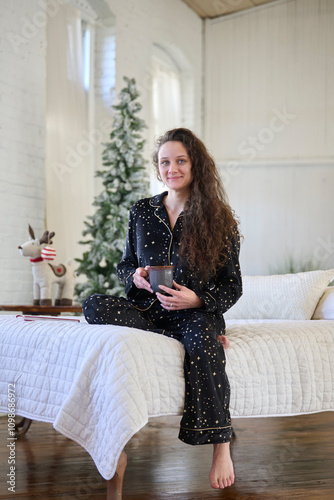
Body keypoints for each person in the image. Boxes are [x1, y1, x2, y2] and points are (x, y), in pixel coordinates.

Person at [82, 128, 242, 489]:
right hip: (149, 312)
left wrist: (198, 301)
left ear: (194, 165)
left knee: (202, 340)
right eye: (165, 161)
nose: (172, 168)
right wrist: (135, 276)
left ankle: (221, 446)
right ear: (157, 167)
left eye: (180, 161)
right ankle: (177, 335)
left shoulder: (219, 218)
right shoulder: (141, 211)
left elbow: (233, 284)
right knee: (93, 305)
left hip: (194, 312)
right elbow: (125, 264)